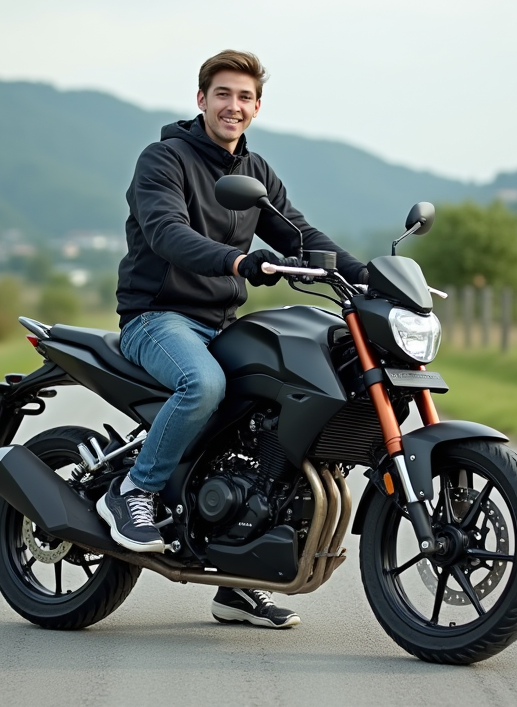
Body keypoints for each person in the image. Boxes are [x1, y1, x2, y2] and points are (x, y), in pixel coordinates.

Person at [98, 50, 368, 629]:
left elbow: (297, 233)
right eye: (223, 94)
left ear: (257, 107)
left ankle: (238, 577)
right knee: (203, 384)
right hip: (159, 317)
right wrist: (239, 262)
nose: (234, 106)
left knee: (274, 417)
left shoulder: (256, 172)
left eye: (245, 97)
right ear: (201, 100)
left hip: (220, 324)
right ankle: (133, 492)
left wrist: (365, 275)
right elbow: (167, 234)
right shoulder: (163, 160)